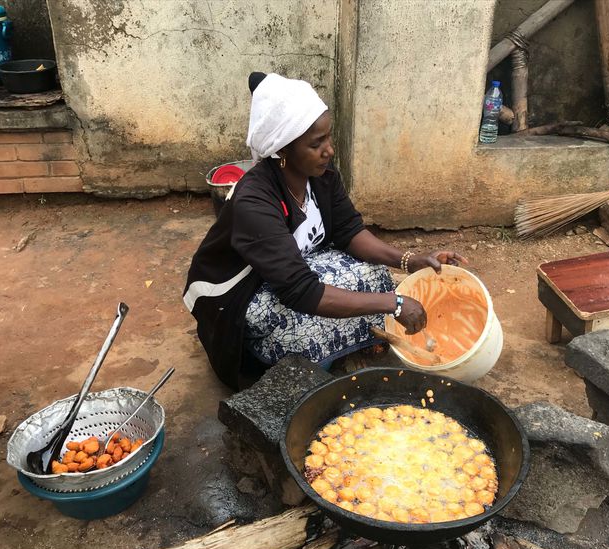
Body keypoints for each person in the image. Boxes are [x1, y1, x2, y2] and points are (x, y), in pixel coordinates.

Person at [184, 72, 467, 389]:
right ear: (282, 150)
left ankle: (349, 344)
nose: (329, 150)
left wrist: (409, 260)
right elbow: (300, 291)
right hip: (239, 296)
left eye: (328, 138)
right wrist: (394, 304)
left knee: (375, 275)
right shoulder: (255, 202)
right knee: (304, 328)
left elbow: (349, 230)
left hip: (292, 271)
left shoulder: (320, 173)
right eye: (316, 143)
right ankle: (281, 366)